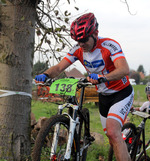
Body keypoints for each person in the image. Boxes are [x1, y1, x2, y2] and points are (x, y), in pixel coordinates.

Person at [35, 13, 134, 161]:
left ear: (95, 33)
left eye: (84, 39)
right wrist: (46, 74)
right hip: (104, 96)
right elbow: (59, 67)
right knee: (111, 138)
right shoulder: (77, 49)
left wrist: (103, 78)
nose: (81, 43)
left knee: (114, 133)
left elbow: (124, 69)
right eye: (77, 40)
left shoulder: (109, 45)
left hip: (121, 93)